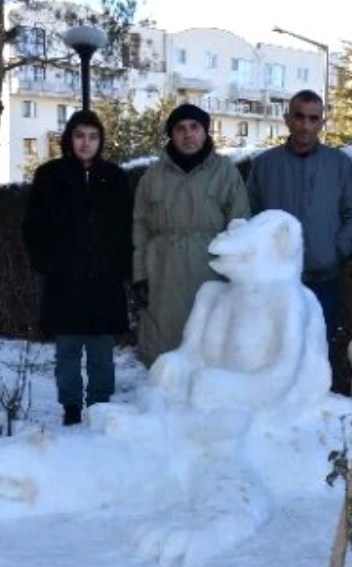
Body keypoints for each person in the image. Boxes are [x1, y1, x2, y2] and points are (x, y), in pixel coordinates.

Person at [23, 110, 132, 426]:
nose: (86, 143)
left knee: (101, 349)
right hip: (64, 279)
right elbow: (32, 226)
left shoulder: (114, 177)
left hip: (104, 279)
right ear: (69, 139)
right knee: (67, 348)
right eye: (80, 136)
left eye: (93, 136)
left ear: (101, 140)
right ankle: (70, 407)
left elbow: (125, 228)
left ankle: (100, 405)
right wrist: (46, 263)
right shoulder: (49, 176)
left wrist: (121, 268)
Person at [131, 103, 250, 366]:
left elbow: (240, 228)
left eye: (194, 127)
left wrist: (237, 277)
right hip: (163, 275)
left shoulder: (225, 173)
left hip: (208, 273)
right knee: (164, 354)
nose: (188, 134)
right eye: (180, 129)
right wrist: (139, 275)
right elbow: (140, 230)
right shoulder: (152, 177)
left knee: (207, 351)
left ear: (205, 132)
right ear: (171, 135)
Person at [247, 90, 352, 342]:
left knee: (318, 353)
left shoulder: (339, 164)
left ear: (322, 123)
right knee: (275, 351)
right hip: (276, 280)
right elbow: (251, 216)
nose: (305, 125)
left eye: (313, 119)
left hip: (323, 280)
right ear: (288, 119)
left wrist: (337, 251)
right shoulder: (264, 164)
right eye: (299, 117)